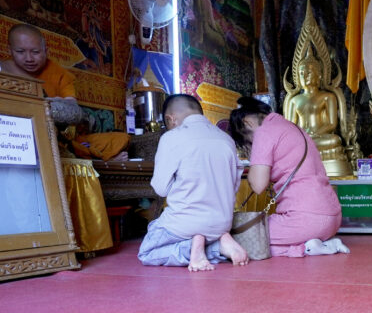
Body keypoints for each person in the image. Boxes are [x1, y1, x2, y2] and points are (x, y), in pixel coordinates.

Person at [138, 94, 248, 270]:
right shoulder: (226, 139)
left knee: (146, 252)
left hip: (184, 226)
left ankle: (194, 247)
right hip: (221, 223)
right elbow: (234, 186)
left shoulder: (171, 137)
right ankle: (221, 243)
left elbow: (161, 189)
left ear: (170, 119)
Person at [229, 96, 348, 257]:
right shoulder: (292, 127)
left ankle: (306, 247)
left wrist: (254, 159)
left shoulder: (264, 131)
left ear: (247, 123)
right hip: (332, 219)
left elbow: (258, 185)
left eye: (247, 141)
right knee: (257, 238)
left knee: (246, 238)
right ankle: (322, 243)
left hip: (306, 220)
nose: (250, 144)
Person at [2, 23, 76, 98]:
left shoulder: (61, 76)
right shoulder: (1, 68)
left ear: (46, 52)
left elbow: (71, 104)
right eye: (20, 52)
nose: (29, 59)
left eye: (35, 52)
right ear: (9, 50)